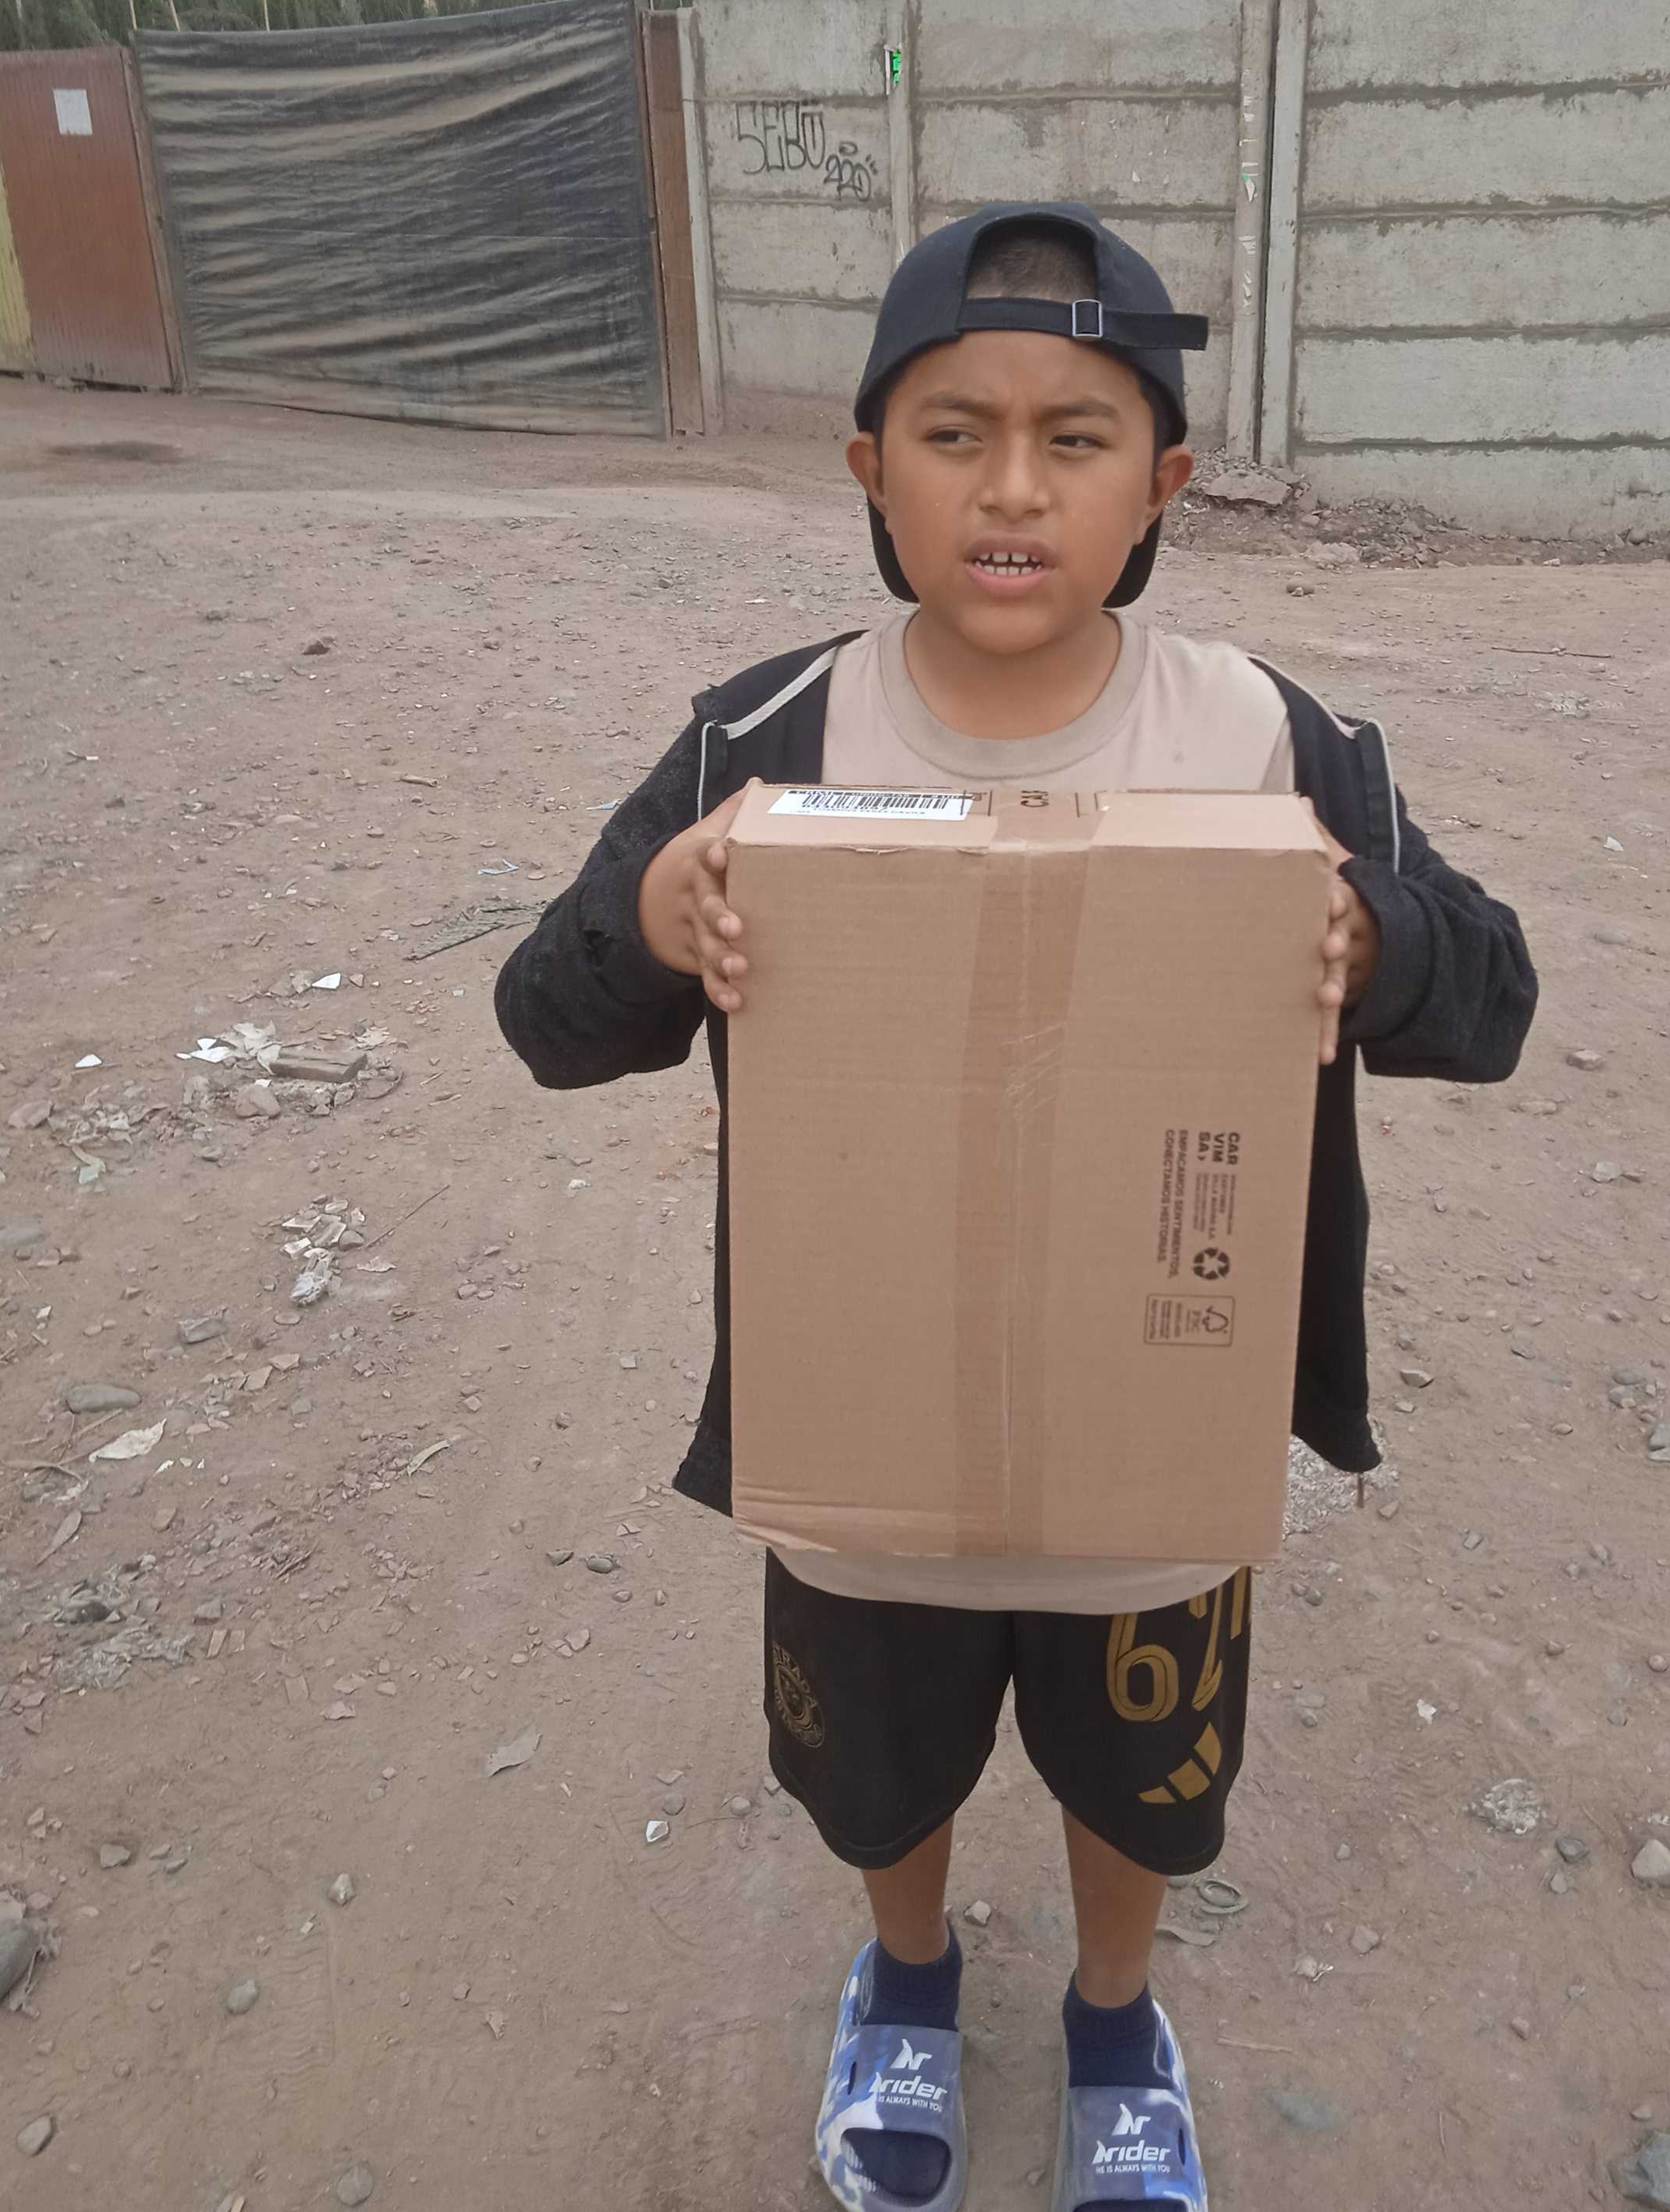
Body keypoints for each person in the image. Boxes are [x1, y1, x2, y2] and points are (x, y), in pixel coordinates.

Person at [496, 202, 1537, 2212]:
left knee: (1142, 1780)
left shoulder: (1271, 744)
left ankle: (1116, 2020)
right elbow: (547, 1019)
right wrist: (652, 914)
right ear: (871, 469)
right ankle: (906, 1981)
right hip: (864, 1458)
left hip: (1154, 1465)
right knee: (877, 1772)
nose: (1012, 490)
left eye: (1077, 438)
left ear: (1165, 485)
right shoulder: (766, 743)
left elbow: (1491, 998)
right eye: (954, 434)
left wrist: (1378, 941)